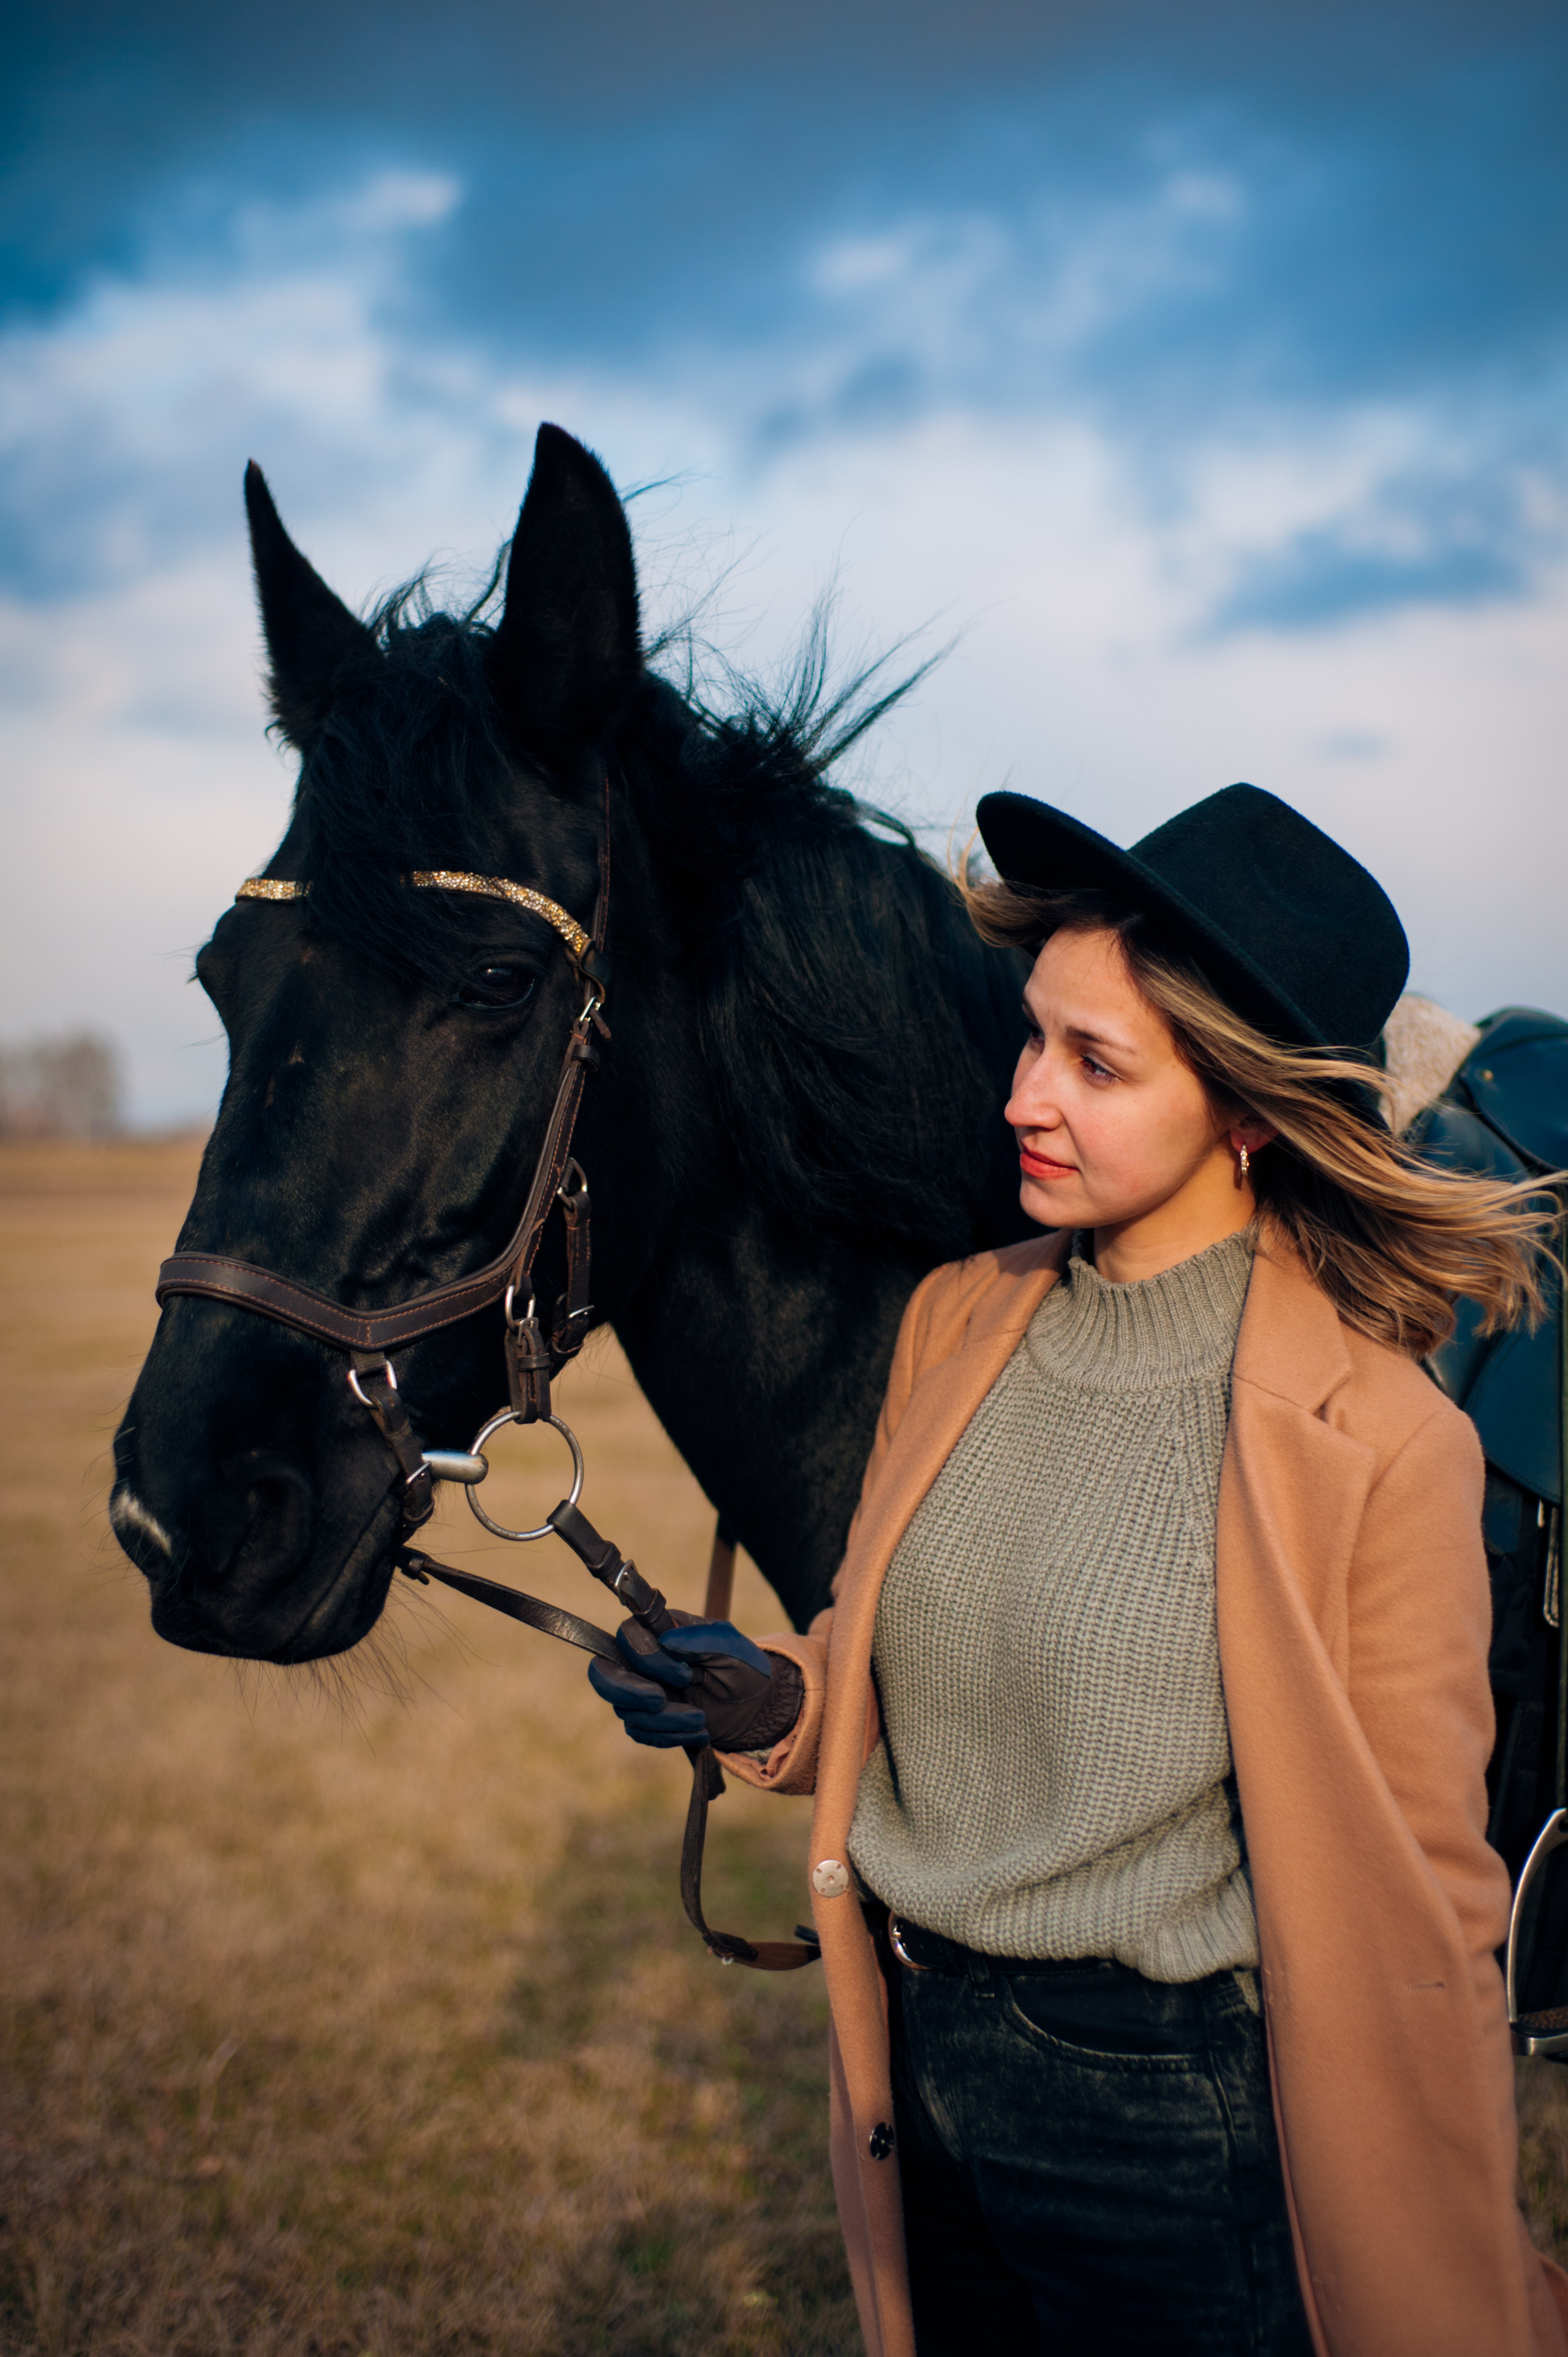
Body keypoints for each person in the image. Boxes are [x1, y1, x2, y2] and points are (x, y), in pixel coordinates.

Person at [588, 782, 1568, 2357]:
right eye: (1031, 1036)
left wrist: (1448, 2268)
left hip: (1165, 2117)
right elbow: (901, 1655)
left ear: (1246, 1111)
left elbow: (1417, 1912)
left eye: (1094, 1063)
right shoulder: (957, 1319)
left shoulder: (1379, 1441)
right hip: (915, 2071)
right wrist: (776, 1697)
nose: (1022, 1099)